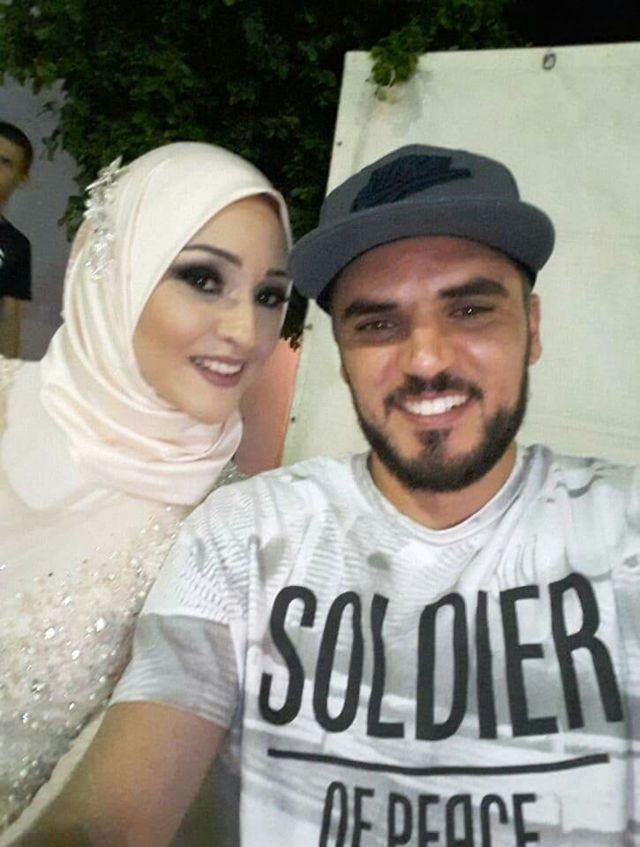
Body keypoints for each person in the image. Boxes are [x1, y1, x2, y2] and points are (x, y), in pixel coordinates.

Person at [24, 145, 639, 846]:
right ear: (342, 355)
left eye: (470, 310)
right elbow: (107, 819)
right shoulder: (248, 534)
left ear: (532, 328)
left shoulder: (623, 527)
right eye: (377, 323)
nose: (427, 359)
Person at [0, 140, 291, 837]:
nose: (245, 331)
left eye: (269, 296)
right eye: (204, 278)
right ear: (116, 271)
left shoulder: (234, 531)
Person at [0, 122, 33, 358]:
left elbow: (9, 321)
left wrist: (8, 374)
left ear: (22, 177)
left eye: (6, 162)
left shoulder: (16, 246)